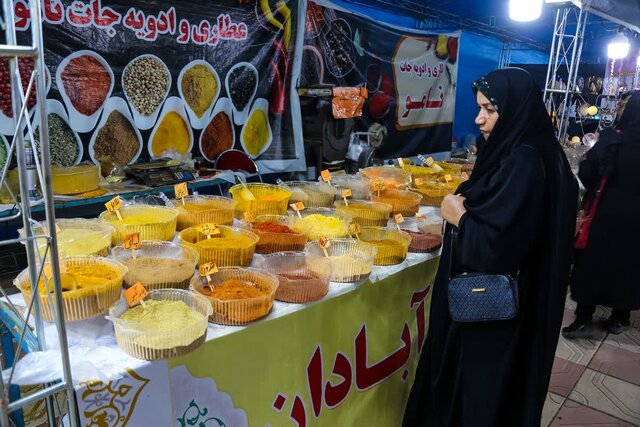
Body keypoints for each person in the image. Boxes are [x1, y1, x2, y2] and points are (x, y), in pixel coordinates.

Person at [403, 68, 577, 427]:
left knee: (476, 399)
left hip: (493, 318)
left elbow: (499, 248)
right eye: (479, 107)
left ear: (513, 110)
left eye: (490, 110)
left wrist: (460, 215)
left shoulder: (523, 161)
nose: (478, 118)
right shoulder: (534, 150)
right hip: (518, 310)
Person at [563, 90, 640, 338]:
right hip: (636, 221)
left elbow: (587, 173)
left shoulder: (612, 138)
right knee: (629, 264)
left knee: (592, 263)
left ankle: (584, 319)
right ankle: (620, 317)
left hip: (605, 214)